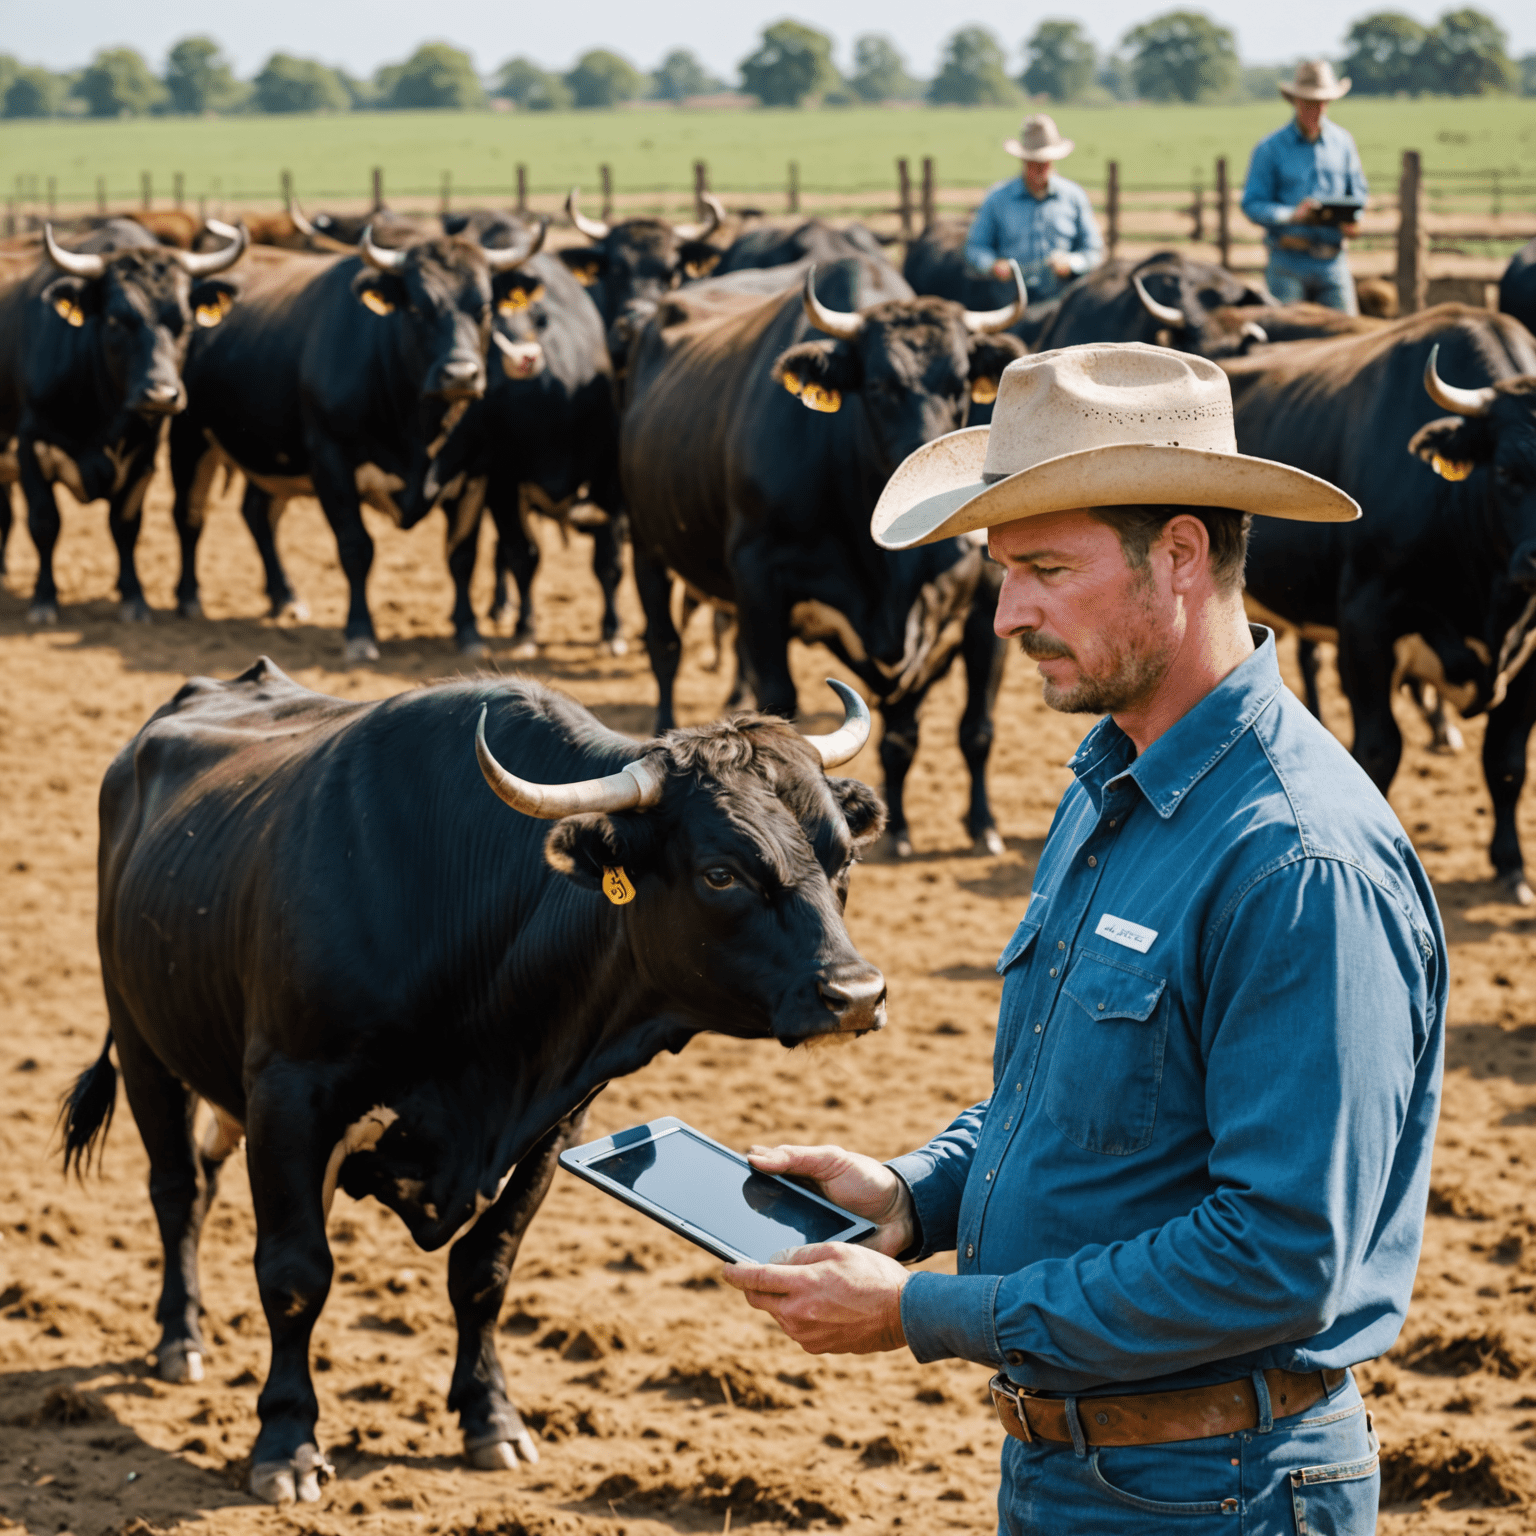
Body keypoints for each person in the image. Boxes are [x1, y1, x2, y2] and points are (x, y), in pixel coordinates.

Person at [719, 343, 1446, 1534]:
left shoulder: (1299, 863)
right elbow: (1082, 1104)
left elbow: (1274, 1255)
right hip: (1086, 1464)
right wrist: (917, 1193)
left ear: (1179, 556)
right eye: (1001, 573)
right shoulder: (1115, 780)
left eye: (1046, 570)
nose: (1006, 615)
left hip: (1218, 1487)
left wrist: (922, 1312)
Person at [1242, 60, 1368, 315]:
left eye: (1323, 103)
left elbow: (1358, 194)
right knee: (1286, 340)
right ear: (1296, 102)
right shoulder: (1270, 148)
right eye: (1310, 103)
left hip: (1333, 261)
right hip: (1287, 259)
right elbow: (1252, 203)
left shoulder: (1343, 143)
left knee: (1348, 338)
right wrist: (1291, 214)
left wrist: (1353, 219)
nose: (1317, 109)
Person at [965, 114, 1103, 303]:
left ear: (1053, 161)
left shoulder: (1074, 196)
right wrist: (993, 265)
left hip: (1060, 306)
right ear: (1023, 161)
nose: (1039, 169)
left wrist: (1071, 263)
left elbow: (1093, 250)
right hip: (1009, 303)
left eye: (1044, 163)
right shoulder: (997, 198)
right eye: (1033, 163)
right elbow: (976, 246)